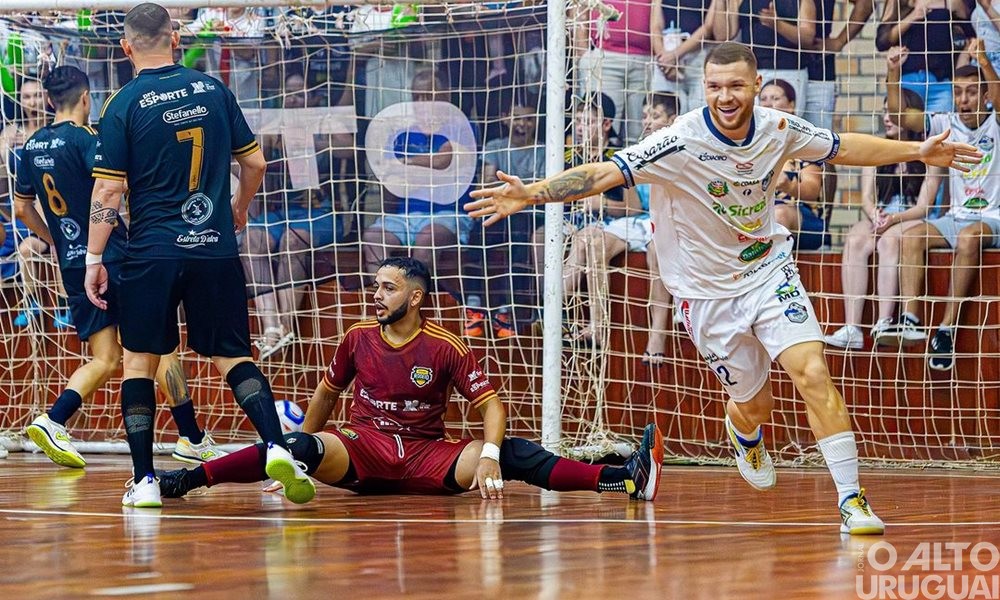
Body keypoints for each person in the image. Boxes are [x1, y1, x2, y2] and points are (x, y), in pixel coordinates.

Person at [466, 41, 982, 534]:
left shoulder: (778, 126)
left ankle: (851, 499)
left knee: (812, 370)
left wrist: (918, 149)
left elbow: (842, 148)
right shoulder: (681, 139)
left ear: (756, 85)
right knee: (756, 406)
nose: (725, 97)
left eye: (735, 86)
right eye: (714, 86)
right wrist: (532, 192)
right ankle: (745, 433)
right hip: (707, 294)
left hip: (768, 269)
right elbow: (605, 173)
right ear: (703, 89)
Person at [155, 257, 664, 504]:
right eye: (375, 286)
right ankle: (186, 481)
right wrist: (296, 452)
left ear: (415, 297)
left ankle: (621, 479)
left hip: (426, 454)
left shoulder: (446, 344)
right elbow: (328, 394)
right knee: (294, 443)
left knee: (512, 451)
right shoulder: (356, 336)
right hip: (362, 450)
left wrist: (487, 454)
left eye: (387, 288)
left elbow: (491, 405)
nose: (375, 295)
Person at [83, 3, 311, 508]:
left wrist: (92, 259)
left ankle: (144, 481)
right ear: (176, 38)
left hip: (151, 253)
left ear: (125, 47)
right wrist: (237, 209)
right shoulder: (213, 89)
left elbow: (106, 196)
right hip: (214, 247)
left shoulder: (122, 104)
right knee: (234, 356)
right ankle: (277, 446)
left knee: (140, 362)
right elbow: (255, 162)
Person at [13, 66, 227, 469]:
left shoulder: (31, 144)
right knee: (157, 346)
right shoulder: (88, 139)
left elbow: (22, 207)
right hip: (114, 256)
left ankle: (53, 419)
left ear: (46, 101)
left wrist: (56, 239)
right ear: (86, 99)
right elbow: (112, 188)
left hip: (73, 263)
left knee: (107, 358)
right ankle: (192, 437)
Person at [884, 40, 1000, 370]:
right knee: (911, 236)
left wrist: (985, 64)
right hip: (957, 216)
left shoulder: (996, 122)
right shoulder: (946, 124)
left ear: (986, 95)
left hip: (993, 218)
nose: (964, 99)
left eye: (972, 92)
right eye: (958, 92)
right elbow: (900, 116)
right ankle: (910, 319)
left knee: (968, 238)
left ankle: (946, 330)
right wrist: (892, 73)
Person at [562, 93, 679, 359]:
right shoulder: (638, 150)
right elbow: (634, 206)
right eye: (645, 115)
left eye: (655, 116)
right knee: (592, 241)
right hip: (639, 220)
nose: (647, 121)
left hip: (672, 222)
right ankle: (595, 325)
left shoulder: (683, 148)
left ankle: (657, 337)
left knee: (657, 250)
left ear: (672, 121)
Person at [825, 68, 929, 349]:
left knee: (890, 243)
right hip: (882, 213)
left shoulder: (926, 152)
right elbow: (867, 197)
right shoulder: (877, 149)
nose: (887, 116)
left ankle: (884, 321)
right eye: (884, 110)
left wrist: (893, 219)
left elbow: (924, 206)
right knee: (856, 238)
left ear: (911, 115)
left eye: (894, 110)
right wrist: (875, 215)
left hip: (910, 215)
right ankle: (852, 327)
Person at [757, 79, 828, 250]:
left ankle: (774, 274)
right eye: (764, 98)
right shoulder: (750, 145)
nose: (768, 104)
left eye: (775, 98)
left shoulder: (805, 143)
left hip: (803, 219)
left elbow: (812, 191)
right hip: (759, 216)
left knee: (779, 214)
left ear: (791, 105)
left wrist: (788, 185)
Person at [875, 0, 974, 112]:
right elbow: (881, 43)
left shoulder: (951, 2)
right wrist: (912, 17)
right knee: (904, 125)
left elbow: (970, 36)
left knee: (943, 126)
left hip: (940, 83)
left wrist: (964, 53)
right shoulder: (898, 2)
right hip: (907, 81)